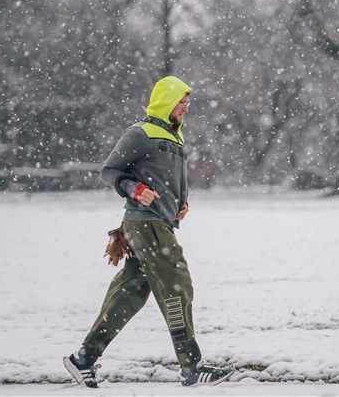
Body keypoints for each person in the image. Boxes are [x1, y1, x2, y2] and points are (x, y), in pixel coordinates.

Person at [64, 76, 233, 388]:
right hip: (146, 223)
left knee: (128, 295)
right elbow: (110, 171)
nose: (186, 107)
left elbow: (170, 178)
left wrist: (179, 205)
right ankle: (192, 367)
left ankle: (83, 359)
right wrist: (134, 188)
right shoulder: (140, 133)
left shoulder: (174, 136)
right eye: (181, 101)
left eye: (187, 102)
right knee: (177, 285)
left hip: (158, 222)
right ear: (166, 101)